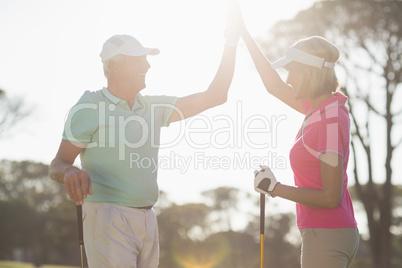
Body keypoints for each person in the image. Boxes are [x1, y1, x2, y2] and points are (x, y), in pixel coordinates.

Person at [48, 19, 238, 268]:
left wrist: (231, 43)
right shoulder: (90, 105)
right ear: (114, 65)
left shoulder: (152, 108)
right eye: (138, 59)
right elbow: (58, 163)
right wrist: (70, 170)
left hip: (148, 217)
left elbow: (215, 96)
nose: (147, 65)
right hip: (107, 216)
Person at [233, 6, 360, 268]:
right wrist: (244, 34)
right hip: (330, 232)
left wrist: (275, 189)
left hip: (326, 234)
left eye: (292, 71)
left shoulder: (329, 120)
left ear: (310, 73)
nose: (288, 78)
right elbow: (273, 86)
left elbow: (329, 197)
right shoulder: (318, 109)